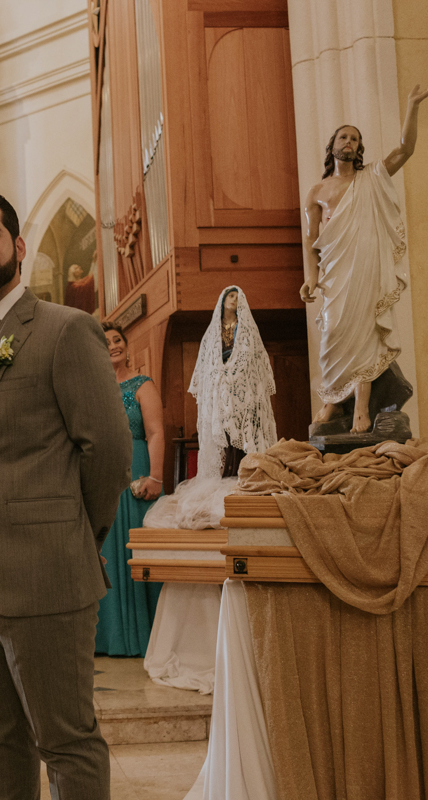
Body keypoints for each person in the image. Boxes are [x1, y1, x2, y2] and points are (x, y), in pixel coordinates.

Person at [0, 190, 131, 800]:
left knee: (66, 740)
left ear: (18, 247)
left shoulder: (66, 331)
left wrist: (75, 539)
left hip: (47, 570)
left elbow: (107, 451)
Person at [142, 286, 278, 693]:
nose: (231, 307)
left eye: (236, 301)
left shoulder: (247, 338)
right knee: (207, 490)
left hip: (244, 416)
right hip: (220, 410)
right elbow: (208, 378)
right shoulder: (214, 337)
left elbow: (257, 387)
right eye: (227, 302)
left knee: (244, 465)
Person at [300, 78, 428, 433]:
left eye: (355, 138)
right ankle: (331, 399)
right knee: (333, 334)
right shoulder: (317, 191)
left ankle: (361, 407)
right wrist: (311, 277)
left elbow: (406, 149)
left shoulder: (371, 177)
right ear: (332, 145)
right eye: (344, 136)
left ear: (359, 148)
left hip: (364, 268)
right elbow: (311, 238)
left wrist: (413, 105)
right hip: (334, 271)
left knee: (364, 334)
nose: (350, 142)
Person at [94, 321, 163, 657]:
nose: (113, 346)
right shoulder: (90, 388)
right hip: (101, 479)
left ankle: (142, 635)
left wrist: (156, 477)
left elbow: (155, 433)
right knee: (103, 554)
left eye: (118, 340)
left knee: (136, 553)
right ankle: (108, 637)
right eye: (105, 342)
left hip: (137, 477)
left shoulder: (142, 385)